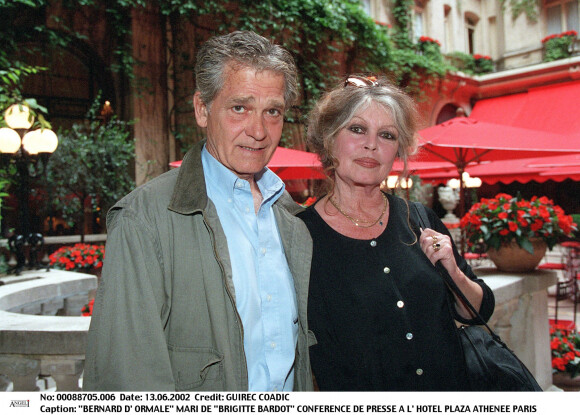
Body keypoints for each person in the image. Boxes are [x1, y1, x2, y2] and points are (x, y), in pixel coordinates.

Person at [83, 31, 314, 392]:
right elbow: (126, 376)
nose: (259, 131)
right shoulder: (143, 219)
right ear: (202, 110)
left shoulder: (293, 219)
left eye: (272, 111)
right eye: (240, 108)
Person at [299, 75, 495, 391]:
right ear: (328, 137)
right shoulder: (300, 236)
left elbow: (478, 311)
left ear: (398, 152)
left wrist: (454, 273)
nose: (372, 144)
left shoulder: (418, 218)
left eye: (387, 135)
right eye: (357, 129)